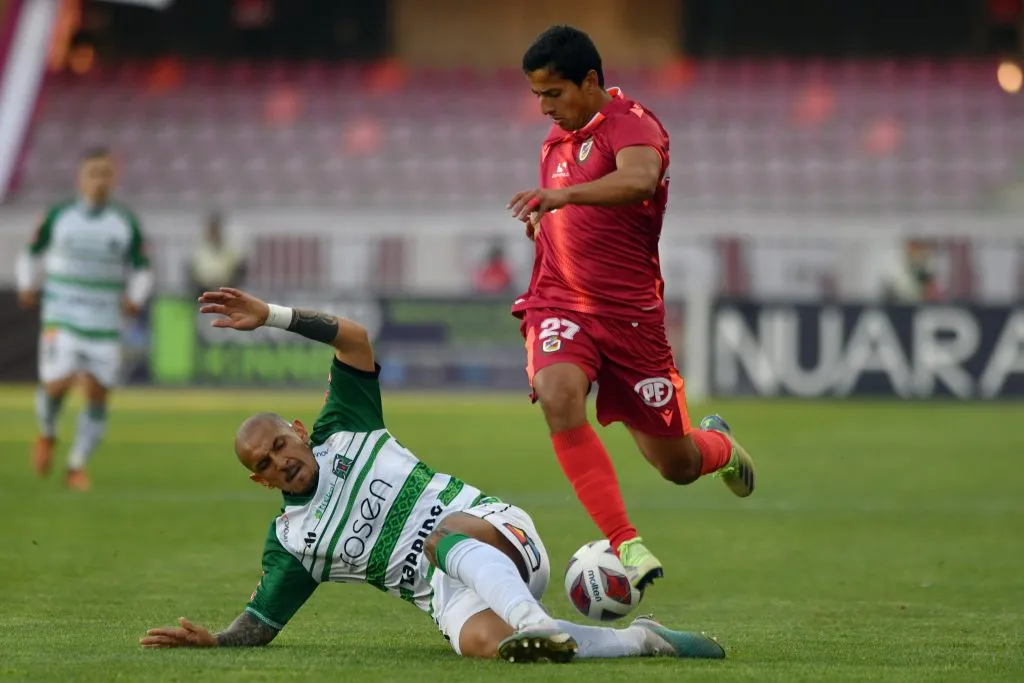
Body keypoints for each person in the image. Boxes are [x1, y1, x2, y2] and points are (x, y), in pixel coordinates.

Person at [139, 287, 726, 664]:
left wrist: (272, 316)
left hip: (494, 533)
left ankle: (535, 623)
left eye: (279, 444)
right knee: (480, 647)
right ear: (260, 482)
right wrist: (216, 639)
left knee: (441, 536)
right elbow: (262, 622)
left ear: (297, 429)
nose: (279, 460)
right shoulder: (294, 543)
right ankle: (641, 640)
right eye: (263, 464)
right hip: (450, 596)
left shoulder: (344, 424)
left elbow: (355, 338)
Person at [506, 26, 756, 592]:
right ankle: (627, 543)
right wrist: (546, 225)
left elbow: (640, 180)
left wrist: (562, 198)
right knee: (557, 395)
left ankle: (719, 445)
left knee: (678, 465)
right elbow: (572, 220)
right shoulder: (555, 139)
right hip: (559, 303)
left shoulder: (635, 125)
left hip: (632, 320)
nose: (545, 108)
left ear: (590, 80)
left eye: (555, 94)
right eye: (538, 97)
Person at [15, 147, 152, 490]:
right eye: (93, 173)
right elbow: (30, 254)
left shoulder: (124, 222)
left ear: (113, 178)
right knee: (57, 385)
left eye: (106, 173)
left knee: (97, 393)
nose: (99, 180)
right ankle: (47, 433)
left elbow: (142, 269)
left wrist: (135, 298)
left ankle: (76, 465)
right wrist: (27, 285)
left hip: (104, 325)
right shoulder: (59, 215)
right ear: (81, 177)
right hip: (62, 317)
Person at [187, 210, 246, 298]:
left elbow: (236, 273)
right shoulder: (199, 252)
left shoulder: (230, 251)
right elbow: (195, 276)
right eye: (211, 229)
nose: (213, 232)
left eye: (215, 229)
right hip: (202, 292)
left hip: (226, 291)